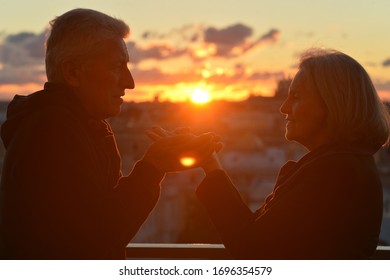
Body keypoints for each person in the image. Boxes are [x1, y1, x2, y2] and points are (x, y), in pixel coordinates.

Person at [0, 8, 216, 260]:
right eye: (117, 66)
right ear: (73, 73)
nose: (130, 82)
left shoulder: (71, 124)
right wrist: (152, 167)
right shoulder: (54, 133)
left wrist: (155, 165)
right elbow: (96, 237)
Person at [194, 49, 390, 259]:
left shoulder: (334, 173)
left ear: (333, 104)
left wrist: (210, 164)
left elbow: (253, 248)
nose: (284, 108)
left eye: (296, 97)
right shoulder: (347, 164)